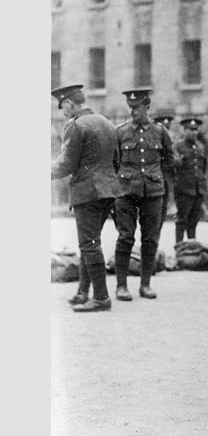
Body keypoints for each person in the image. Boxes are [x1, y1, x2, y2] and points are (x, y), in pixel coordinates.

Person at [51, 84, 123, 312]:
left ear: (70, 103)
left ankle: (101, 297)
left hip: (87, 192)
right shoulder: (107, 123)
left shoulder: (76, 126)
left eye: (63, 106)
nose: (63, 111)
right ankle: (82, 292)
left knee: (89, 244)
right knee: (91, 241)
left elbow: (67, 163)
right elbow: (117, 160)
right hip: (108, 191)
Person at [111, 88, 174, 301]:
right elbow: (114, 162)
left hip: (153, 192)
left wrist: (159, 183)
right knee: (125, 237)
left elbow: (169, 162)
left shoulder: (160, 132)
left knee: (150, 238)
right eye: (130, 107)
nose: (133, 111)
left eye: (137, 107)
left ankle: (145, 284)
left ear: (147, 106)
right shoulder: (120, 132)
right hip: (126, 192)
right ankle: (121, 286)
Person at [173, 117, 208, 242]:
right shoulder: (178, 147)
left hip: (198, 189)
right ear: (184, 131)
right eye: (190, 130)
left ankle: (192, 246)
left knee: (194, 221)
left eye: (195, 130)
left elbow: (203, 168)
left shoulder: (200, 147)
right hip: (184, 189)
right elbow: (174, 166)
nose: (193, 133)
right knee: (182, 220)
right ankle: (179, 246)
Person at [153, 108, 176, 235]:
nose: (166, 129)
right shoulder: (153, 138)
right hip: (153, 180)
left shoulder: (171, 141)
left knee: (161, 213)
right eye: (164, 126)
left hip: (165, 181)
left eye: (168, 127)